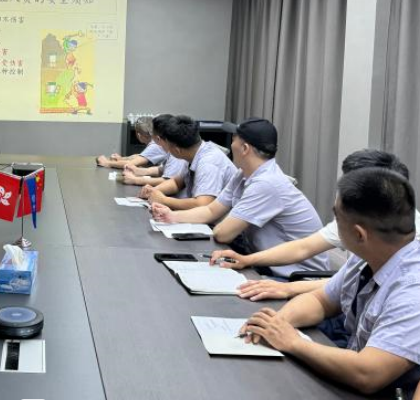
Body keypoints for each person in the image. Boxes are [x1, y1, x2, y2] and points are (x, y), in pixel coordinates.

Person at [241, 167, 420, 394]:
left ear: (359, 235)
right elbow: (321, 300)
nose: (334, 224)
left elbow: (368, 374)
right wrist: (279, 323)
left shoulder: (412, 290)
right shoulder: (368, 256)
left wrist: (294, 342)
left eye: (337, 217)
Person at [210, 149, 420, 300]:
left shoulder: (409, 250)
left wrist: (287, 290)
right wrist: (247, 260)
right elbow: (304, 247)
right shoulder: (362, 219)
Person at [152, 118, 327, 277]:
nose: (231, 144)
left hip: (294, 277)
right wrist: (171, 216)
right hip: (263, 263)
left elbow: (223, 234)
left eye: (234, 139)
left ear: (244, 149)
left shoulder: (267, 183)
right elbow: (210, 210)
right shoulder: (243, 174)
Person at [142, 115, 237, 211]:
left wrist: (164, 200)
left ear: (177, 150)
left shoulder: (208, 163)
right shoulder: (193, 152)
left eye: (168, 145)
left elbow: (203, 204)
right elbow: (176, 183)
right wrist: (154, 191)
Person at [121, 114, 187, 185]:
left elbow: (169, 182)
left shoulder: (176, 153)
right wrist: (139, 171)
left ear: (158, 138)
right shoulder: (171, 149)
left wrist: (135, 180)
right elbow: (162, 169)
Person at [96, 117, 165, 169]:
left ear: (138, 135)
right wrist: (122, 159)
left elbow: (130, 164)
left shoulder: (154, 146)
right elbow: (140, 156)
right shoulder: (155, 143)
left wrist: (107, 163)